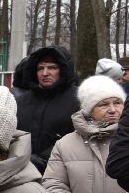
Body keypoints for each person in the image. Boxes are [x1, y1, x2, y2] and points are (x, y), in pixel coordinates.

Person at [13, 45, 80, 173]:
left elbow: (79, 138)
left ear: (63, 69)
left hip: (63, 172)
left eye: (52, 67)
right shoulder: (21, 101)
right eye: (40, 68)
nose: (45, 73)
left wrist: (42, 160)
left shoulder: (79, 99)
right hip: (23, 172)